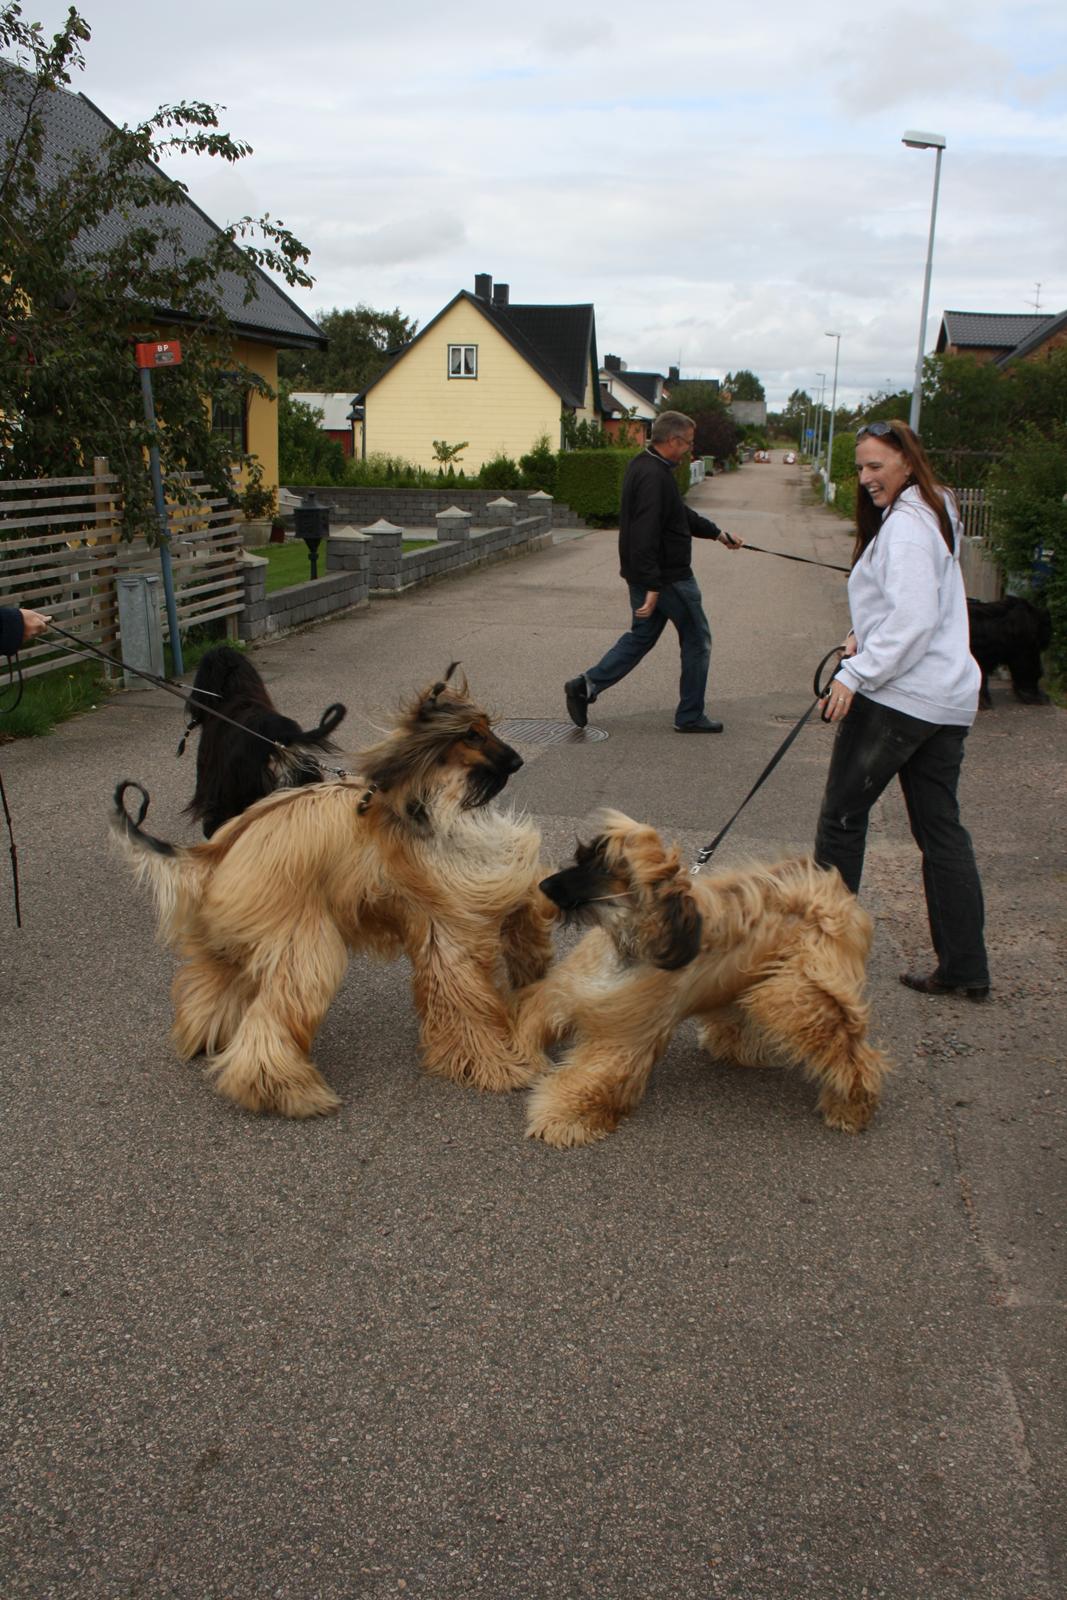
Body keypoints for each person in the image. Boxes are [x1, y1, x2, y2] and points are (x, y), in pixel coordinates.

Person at [814, 419, 990, 1001]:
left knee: (841, 820)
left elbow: (913, 619)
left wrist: (856, 672)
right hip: (945, 699)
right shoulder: (932, 511)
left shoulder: (910, 528)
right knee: (941, 831)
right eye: (860, 467)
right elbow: (917, 608)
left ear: (907, 463)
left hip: (902, 699)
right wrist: (862, 633)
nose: (865, 478)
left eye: (876, 466)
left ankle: (821, 966)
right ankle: (964, 968)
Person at [563, 411, 743, 733]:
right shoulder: (654, 476)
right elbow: (644, 533)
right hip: (667, 578)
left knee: (641, 637)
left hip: (651, 576)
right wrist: (652, 584)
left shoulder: (646, 466)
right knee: (698, 640)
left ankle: (585, 686)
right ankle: (690, 715)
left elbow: (677, 514)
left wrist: (717, 534)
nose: (690, 448)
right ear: (673, 440)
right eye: (688, 442)